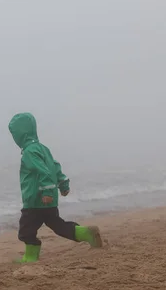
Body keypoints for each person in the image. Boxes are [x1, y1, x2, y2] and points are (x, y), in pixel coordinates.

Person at [8, 112, 102, 263]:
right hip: (50, 200)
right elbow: (55, 167)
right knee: (58, 225)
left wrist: (45, 190)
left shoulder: (29, 152)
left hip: (36, 200)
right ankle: (85, 233)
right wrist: (63, 184)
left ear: (19, 134)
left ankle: (30, 258)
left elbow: (42, 170)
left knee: (26, 231)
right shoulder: (43, 148)